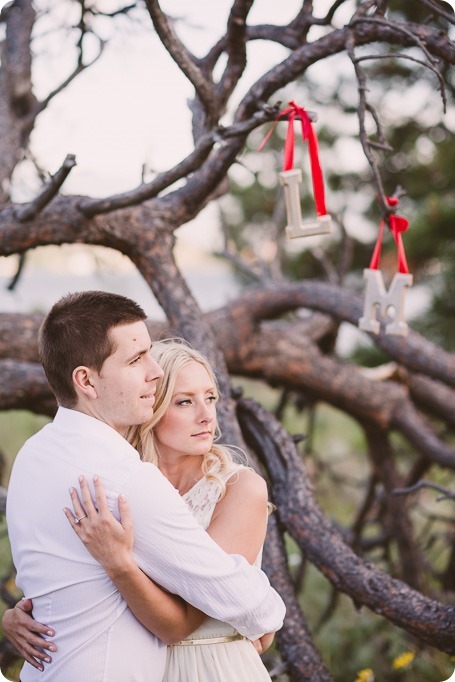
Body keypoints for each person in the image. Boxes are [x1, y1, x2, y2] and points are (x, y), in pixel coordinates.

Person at [4, 291, 285, 682]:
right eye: (184, 401)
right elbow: (232, 601)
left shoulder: (34, 456)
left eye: (210, 397)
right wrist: (267, 610)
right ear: (85, 380)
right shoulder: (127, 479)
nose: (207, 415)